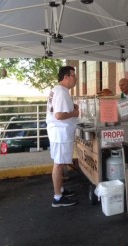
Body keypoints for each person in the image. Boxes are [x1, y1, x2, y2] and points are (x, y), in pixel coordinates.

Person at [46, 66, 80, 208]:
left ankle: (60, 189)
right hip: (60, 133)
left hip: (58, 133)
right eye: (73, 75)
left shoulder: (58, 90)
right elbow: (59, 115)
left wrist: (72, 107)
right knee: (59, 164)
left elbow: (59, 109)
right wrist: (74, 113)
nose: (75, 78)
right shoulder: (61, 92)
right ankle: (57, 198)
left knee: (59, 163)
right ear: (66, 77)